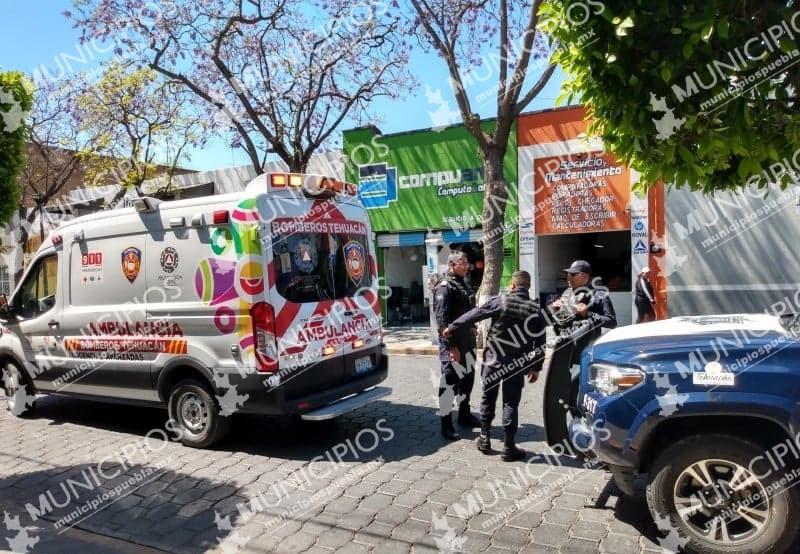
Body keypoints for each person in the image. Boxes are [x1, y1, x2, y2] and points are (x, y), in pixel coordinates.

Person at [443, 271, 546, 461]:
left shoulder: (501, 300)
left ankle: (484, 439)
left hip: (493, 360)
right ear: (528, 287)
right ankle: (508, 447)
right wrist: (536, 367)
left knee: (488, 397)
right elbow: (540, 342)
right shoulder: (535, 309)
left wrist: (452, 327)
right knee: (510, 402)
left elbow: (476, 314)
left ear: (513, 286)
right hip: (517, 363)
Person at [544, 260, 617, 447]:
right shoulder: (568, 294)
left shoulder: (599, 295)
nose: (568, 277)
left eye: (573, 274)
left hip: (587, 355)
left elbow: (611, 321)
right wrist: (556, 312)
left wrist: (588, 315)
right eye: (568, 273)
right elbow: (561, 324)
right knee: (565, 395)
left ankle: (588, 436)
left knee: (581, 396)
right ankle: (574, 432)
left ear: (585, 276)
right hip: (566, 355)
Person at [433, 251, 480, 440]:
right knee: (449, 384)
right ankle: (446, 425)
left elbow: (467, 312)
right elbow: (442, 321)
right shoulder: (444, 287)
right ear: (451, 265)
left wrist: (473, 328)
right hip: (454, 346)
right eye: (462, 262)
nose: (466, 265)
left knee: (467, 380)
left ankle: (464, 415)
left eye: (466, 262)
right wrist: (451, 346)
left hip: (467, 343)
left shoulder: (463, 283)